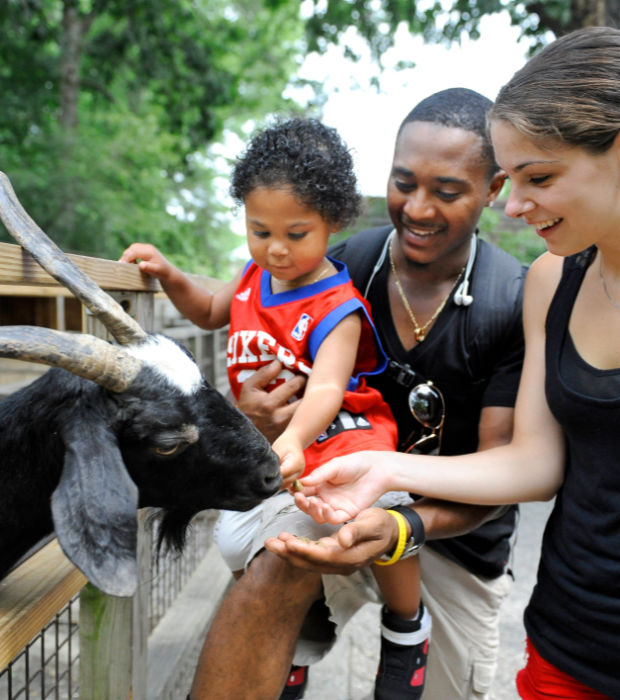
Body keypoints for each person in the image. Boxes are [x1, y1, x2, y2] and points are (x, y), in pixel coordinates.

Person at [293, 28, 620, 700]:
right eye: (509, 181)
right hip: (566, 650)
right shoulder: (549, 281)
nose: (511, 206)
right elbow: (534, 465)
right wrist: (387, 469)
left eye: (540, 178)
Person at [190, 88, 526, 700]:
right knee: (271, 566)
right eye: (403, 183)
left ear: (493, 189)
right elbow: (264, 354)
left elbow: (505, 476)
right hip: (333, 499)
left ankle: (408, 636)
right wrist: (257, 421)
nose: (417, 208)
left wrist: (400, 528)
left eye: (447, 192)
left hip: (448, 535)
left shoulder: (512, 303)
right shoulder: (339, 265)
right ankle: (285, 656)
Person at [120, 117, 432, 699]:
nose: (276, 248)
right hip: (277, 442)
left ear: (333, 223)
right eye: (259, 230)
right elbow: (210, 311)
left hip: (339, 431)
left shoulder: (336, 305)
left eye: (296, 232)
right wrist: (168, 276)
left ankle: (407, 624)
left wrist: (293, 439)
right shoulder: (250, 276)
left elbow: (326, 390)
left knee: (385, 501)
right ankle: (286, 646)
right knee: (245, 542)